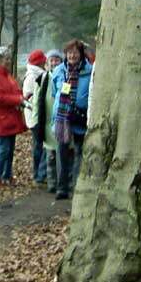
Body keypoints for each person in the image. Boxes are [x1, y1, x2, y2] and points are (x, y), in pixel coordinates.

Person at [51, 38, 94, 199]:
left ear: (81, 54)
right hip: (63, 119)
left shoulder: (90, 72)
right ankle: (61, 188)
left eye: (75, 52)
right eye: (69, 52)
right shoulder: (58, 71)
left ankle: (77, 185)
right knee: (61, 153)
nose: (72, 56)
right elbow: (54, 93)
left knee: (80, 152)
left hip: (81, 118)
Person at [0, 46, 26, 187]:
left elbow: (13, 92)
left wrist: (22, 97)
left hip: (11, 117)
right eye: (5, 59)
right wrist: (17, 100)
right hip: (1, 119)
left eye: (9, 58)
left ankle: (7, 175)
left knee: (10, 149)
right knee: (3, 149)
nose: (8, 61)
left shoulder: (7, 75)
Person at [33, 49, 64, 193]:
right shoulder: (42, 79)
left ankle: (62, 183)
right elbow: (35, 100)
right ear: (47, 63)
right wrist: (35, 119)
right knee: (50, 156)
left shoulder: (65, 76)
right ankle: (51, 183)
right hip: (46, 122)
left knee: (62, 154)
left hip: (61, 120)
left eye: (56, 60)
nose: (54, 63)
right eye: (51, 60)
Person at [23, 49, 47, 184]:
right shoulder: (34, 77)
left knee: (39, 145)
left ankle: (38, 173)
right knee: (39, 145)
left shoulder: (35, 74)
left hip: (34, 116)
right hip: (35, 117)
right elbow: (31, 99)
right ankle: (38, 173)